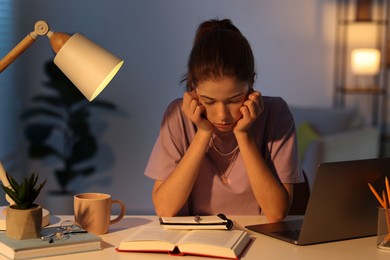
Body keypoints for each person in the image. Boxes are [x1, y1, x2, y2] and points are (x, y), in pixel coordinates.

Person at [144, 18, 303, 222]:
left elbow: (277, 212)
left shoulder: (276, 113)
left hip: (259, 243)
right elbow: (165, 209)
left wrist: (243, 135)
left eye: (234, 100)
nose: (222, 116)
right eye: (209, 101)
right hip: (194, 243)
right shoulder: (178, 116)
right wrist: (203, 133)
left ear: (251, 84)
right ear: (193, 89)